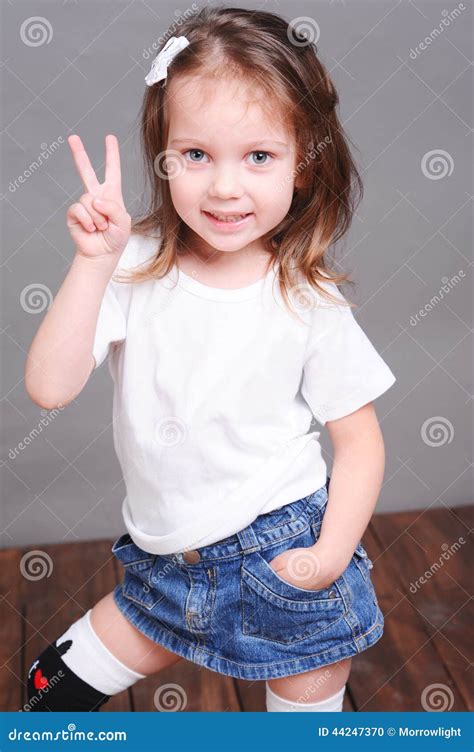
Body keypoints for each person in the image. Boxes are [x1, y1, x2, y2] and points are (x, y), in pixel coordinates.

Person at [24, 5, 396, 713]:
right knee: (49, 699)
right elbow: (48, 386)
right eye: (197, 155)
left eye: (259, 156)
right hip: (166, 568)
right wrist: (89, 264)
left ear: (304, 163)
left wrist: (324, 559)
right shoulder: (130, 267)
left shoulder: (306, 296)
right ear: (164, 156)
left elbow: (361, 444)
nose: (225, 187)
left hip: (283, 561)